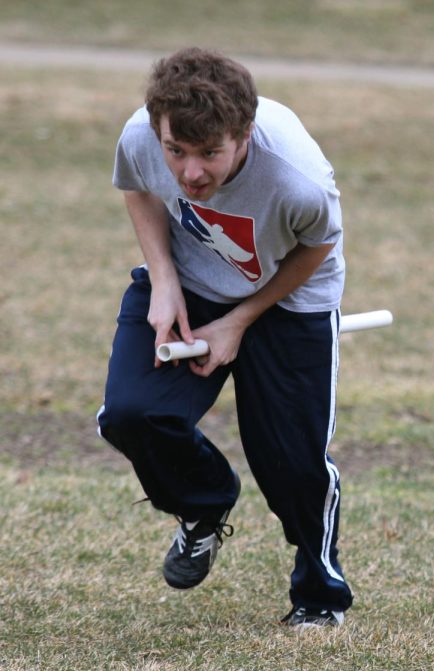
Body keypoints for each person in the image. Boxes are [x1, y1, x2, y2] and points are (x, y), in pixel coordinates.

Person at [96, 47, 353, 628]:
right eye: (177, 152)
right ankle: (203, 505)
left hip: (287, 296)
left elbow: (318, 246)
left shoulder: (297, 179)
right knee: (131, 414)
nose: (190, 173)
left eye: (210, 153)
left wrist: (240, 322)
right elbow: (138, 185)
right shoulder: (143, 134)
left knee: (291, 459)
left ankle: (318, 595)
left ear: (243, 134)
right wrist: (164, 283)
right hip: (190, 278)